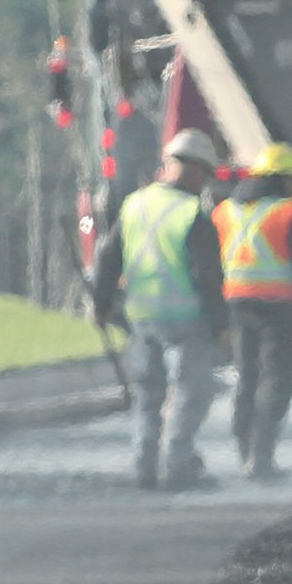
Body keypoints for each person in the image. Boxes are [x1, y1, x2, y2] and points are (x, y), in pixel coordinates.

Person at [89, 129, 227, 491]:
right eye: (204, 174)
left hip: (142, 318)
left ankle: (145, 468)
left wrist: (100, 304)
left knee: (149, 395)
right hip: (184, 319)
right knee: (188, 393)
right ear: (196, 170)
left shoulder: (135, 204)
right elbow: (207, 276)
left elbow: (108, 257)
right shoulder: (192, 213)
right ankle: (178, 468)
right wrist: (220, 324)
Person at [213, 141, 292, 481]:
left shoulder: (225, 210)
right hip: (278, 308)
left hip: (236, 304)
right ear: (281, 178)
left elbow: (211, 265)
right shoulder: (289, 212)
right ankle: (261, 457)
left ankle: (245, 450)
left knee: (247, 377)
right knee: (276, 382)